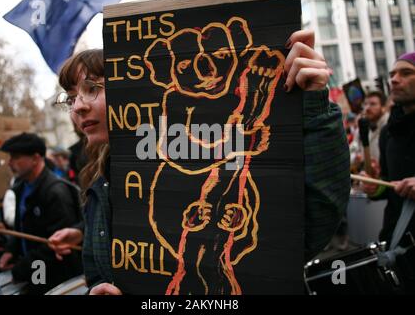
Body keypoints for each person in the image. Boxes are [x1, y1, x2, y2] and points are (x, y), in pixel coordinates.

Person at [50, 29, 349, 294]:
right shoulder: (100, 179)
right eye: (71, 97)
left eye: (92, 88)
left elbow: (312, 224)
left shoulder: (197, 157)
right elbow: (99, 269)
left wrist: (311, 101)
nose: (78, 107)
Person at [0, 132, 82, 294]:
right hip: (35, 270)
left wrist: (21, 268)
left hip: (55, 275)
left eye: (15, 157)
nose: (9, 163)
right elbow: (21, 227)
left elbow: (57, 245)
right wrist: (11, 249)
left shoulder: (56, 192)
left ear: (35, 158)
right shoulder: (21, 188)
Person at [362, 52, 415, 243]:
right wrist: (375, 187)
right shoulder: (388, 132)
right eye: (392, 74)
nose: (394, 79)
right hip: (397, 238)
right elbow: (389, 185)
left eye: (406, 73)